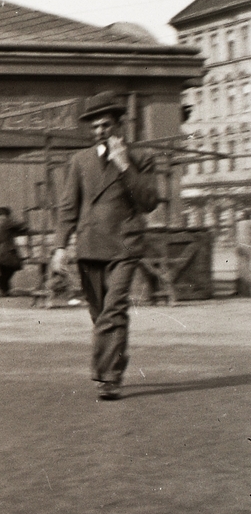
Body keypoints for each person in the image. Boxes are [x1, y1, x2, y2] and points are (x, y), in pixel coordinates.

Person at [52, 92, 158, 401]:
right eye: (94, 126)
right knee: (101, 315)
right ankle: (114, 363)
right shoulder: (80, 161)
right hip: (89, 247)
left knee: (113, 310)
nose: (100, 131)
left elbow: (149, 202)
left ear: (119, 124)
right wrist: (60, 247)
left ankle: (108, 377)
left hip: (124, 246)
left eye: (105, 125)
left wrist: (124, 165)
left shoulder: (141, 157)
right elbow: (68, 207)